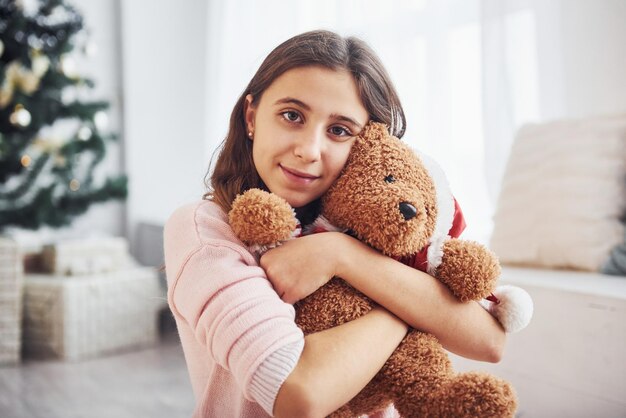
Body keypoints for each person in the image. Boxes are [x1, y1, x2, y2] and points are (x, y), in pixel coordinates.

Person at [163, 30, 506, 418]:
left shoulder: (379, 226)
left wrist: (342, 255)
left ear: (369, 144)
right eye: (292, 116)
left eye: (339, 130)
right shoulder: (205, 230)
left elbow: (489, 340)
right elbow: (296, 395)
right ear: (252, 116)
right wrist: (406, 302)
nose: (309, 150)